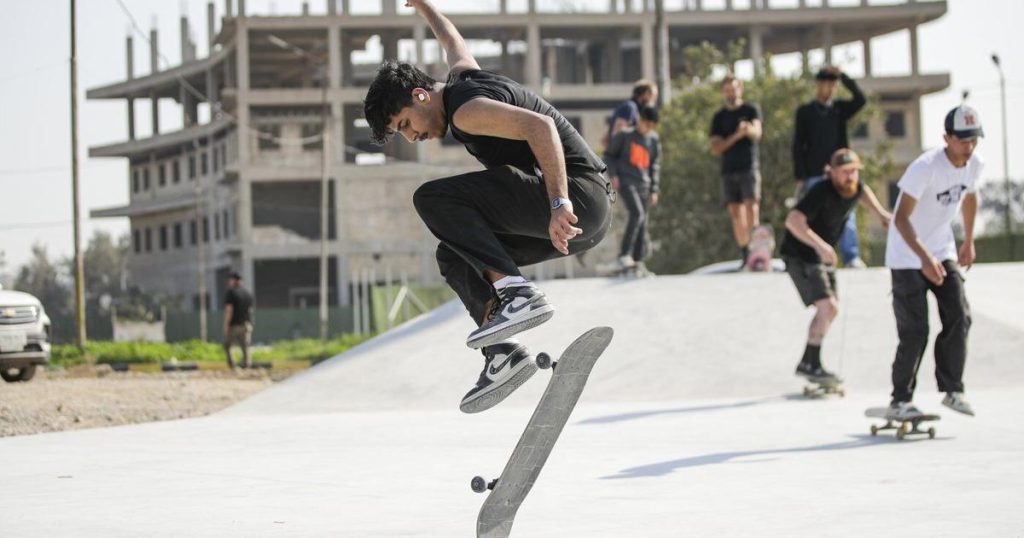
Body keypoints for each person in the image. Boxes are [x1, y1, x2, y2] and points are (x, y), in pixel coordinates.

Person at [363, 0, 612, 413]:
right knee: (454, 255)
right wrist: (426, 8)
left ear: (421, 95)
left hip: (578, 198)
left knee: (433, 198)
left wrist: (557, 202)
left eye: (406, 124)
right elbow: (452, 41)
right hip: (584, 217)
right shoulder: (463, 78)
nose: (411, 137)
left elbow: (540, 127)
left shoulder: (467, 111)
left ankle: (517, 295)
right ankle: (502, 354)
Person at [883, 105, 984, 420]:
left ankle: (952, 389)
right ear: (947, 138)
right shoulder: (924, 167)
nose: (968, 147)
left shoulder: (974, 164)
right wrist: (923, 258)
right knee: (915, 331)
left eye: (973, 140)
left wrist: (967, 240)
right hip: (906, 254)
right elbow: (900, 218)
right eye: (962, 140)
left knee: (959, 314)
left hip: (942, 249)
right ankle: (900, 399)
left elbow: (969, 197)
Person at [781, 149, 891, 382]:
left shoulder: (855, 186)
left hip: (821, 256)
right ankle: (810, 364)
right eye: (844, 173)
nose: (849, 178)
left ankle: (809, 362)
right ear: (832, 172)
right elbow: (792, 221)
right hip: (800, 255)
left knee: (831, 309)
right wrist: (821, 246)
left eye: (853, 172)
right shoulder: (821, 190)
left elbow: (862, 191)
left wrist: (881, 213)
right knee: (827, 307)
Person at [792, 66, 867, 268]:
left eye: (833, 85)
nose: (830, 88)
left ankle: (851, 257)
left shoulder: (839, 110)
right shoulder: (806, 112)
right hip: (816, 172)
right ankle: (817, 254)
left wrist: (843, 76)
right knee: (815, 214)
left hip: (841, 170)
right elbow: (799, 144)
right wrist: (801, 175)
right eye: (826, 84)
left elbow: (861, 100)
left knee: (846, 212)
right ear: (818, 85)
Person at [710, 75, 763, 268]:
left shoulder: (751, 109)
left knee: (752, 207)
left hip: (749, 166)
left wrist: (748, 131)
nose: (730, 93)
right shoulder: (719, 117)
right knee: (735, 212)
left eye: (733, 89)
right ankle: (745, 252)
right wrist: (737, 135)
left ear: (740, 89)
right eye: (727, 90)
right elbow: (716, 148)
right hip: (728, 170)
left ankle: (758, 249)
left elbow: (758, 133)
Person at [602, 106, 661, 275]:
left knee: (643, 222)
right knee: (637, 214)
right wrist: (612, 175)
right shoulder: (625, 135)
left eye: (652, 126)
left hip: (645, 184)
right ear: (639, 120)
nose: (648, 128)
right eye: (646, 124)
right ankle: (624, 254)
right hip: (627, 181)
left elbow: (655, 165)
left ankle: (638, 260)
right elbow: (609, 156)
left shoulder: (653, 140)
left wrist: (654, 189)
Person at [604, 79, 659, 147]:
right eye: (653, 95)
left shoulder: (634, 109)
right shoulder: (630, 107)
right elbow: (618, 134)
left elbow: (605, 139)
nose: (654, 99)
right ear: (645, 94)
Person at [222, 272, 253, 369]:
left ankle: (232, 365)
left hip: (234, 325)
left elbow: (229, 310)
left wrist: (226, 325)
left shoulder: (231, 292)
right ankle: (246, 365)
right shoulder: (247, 293)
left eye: (230, 279)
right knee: (245, 347)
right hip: (246, 324)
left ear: (234, 280)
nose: (229, 282)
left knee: (227, 345)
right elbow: (250, 310)